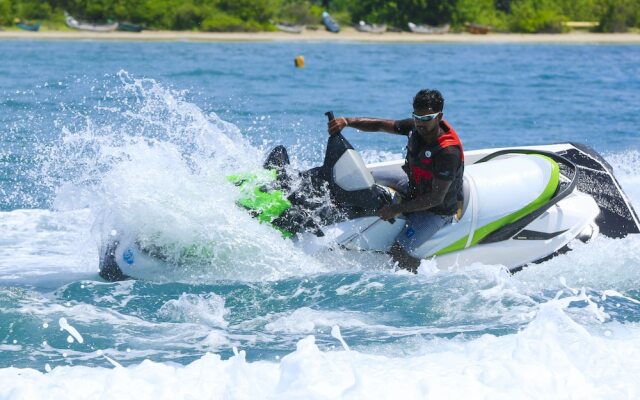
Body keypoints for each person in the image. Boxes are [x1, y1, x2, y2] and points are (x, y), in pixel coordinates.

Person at [328, 89, 464, 272]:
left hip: (436, 212)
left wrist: (395, 209)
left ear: (439, 116)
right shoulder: (416, 127)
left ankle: (432, 276)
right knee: (361, 179)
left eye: (426, 118)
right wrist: (347, 122)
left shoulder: (448, 152)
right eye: (417, 117)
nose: (420, 123)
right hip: (413, 186)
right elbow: (381, 125)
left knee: (397, 253)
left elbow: (436, 199)